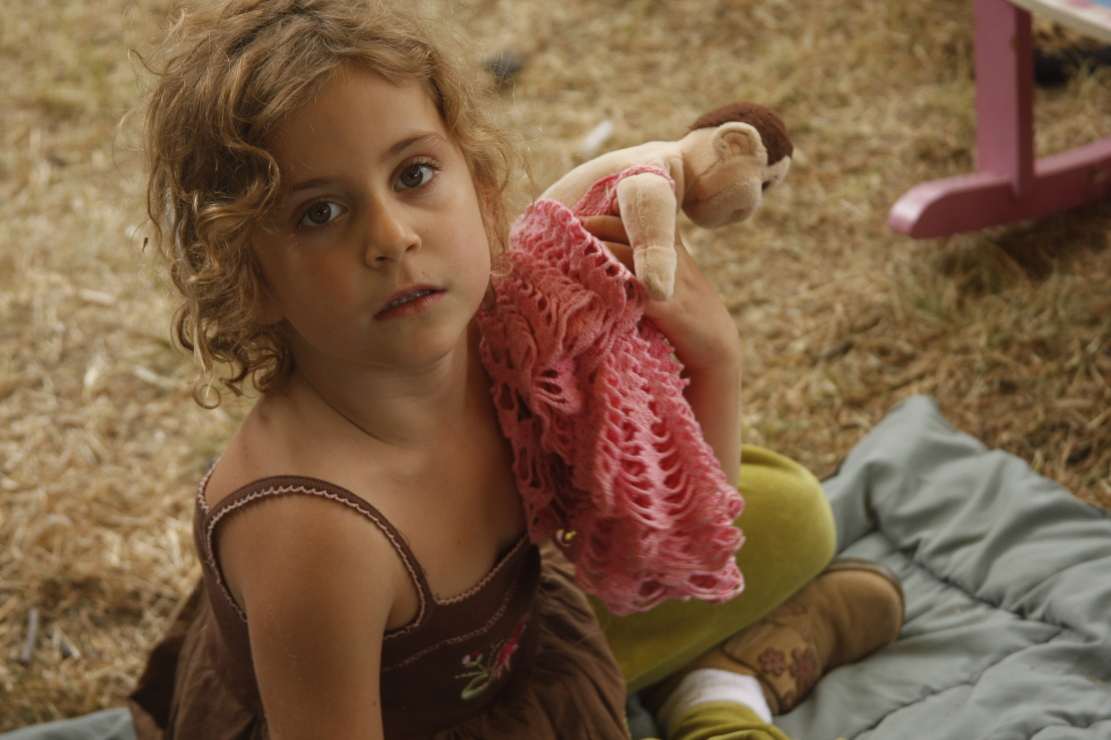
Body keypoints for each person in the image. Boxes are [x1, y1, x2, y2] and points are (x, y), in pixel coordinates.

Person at [1, 1, 902, 738]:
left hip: (519, 655)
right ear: (250, 276)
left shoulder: (506, 339)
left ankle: (699, 680)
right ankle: (723, 700)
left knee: (793, 514)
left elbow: (675, 540)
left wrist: (714, 357)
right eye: (319, 213)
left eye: (414, 174)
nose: (392, 237)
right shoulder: (316, 536)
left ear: (481, 187)